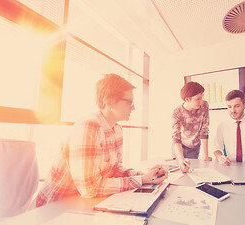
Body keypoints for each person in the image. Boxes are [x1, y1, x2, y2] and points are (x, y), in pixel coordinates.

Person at [35, 74, 168, 207]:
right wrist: (141, 180)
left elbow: (115, 168)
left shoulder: (117, 128)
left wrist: (144, 175)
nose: (133, 108)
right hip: (54, 206)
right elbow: (90, 189)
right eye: (129, 102)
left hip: (82, 202)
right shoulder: (88, 128)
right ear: (108, 101)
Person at [172, 81, 211, 173]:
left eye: (201, 97)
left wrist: (206, 155)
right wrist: (181, 160)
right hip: (180, 146)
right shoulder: (177, 112)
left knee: (191, 172)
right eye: (198, 99)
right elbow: (176, 137)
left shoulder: (204, 106)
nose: (201, 101)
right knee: (179, 171)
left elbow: (204, 130)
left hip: (194, 147)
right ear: (187, 99)